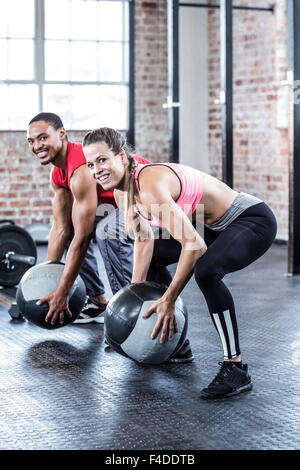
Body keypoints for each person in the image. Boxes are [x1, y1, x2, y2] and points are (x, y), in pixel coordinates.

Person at [82, 127, 277, 399]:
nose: (96, 170)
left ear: (122, 157)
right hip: (209, 225)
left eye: (102, 160)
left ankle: (235, 367)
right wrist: (133, 297)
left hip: (250, 219)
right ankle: (178, 344)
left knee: (207, 271)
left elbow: (194, 245)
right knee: (154, 258)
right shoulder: (121, 193)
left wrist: (170, 298)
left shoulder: (148, 184)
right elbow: (144, 241)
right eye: (90, 164)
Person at [27, 113, 150, 326]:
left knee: (107, 230)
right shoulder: (57, 174)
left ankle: (129, 308)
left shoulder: (81, 166)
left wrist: (64, 292)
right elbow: (60, 228)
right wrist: (48, 283)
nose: (37, 145)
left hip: (145, 198)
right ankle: (98, 303)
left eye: (42, 138)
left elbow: (83, 238)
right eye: (31, 141)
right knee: (74, 227)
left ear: (62, 134)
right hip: (114, 205)